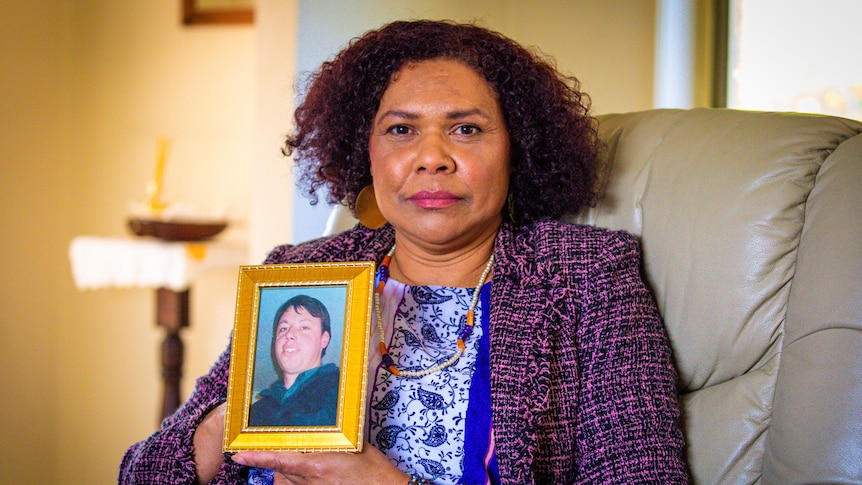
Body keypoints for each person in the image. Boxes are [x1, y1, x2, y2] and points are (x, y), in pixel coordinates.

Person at [120, 19, 688, 484]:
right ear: (363, 151)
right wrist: (239, 419)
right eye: (400, 130)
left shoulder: (585, 274)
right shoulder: (306, 270)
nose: (432, 157)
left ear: (516, 152)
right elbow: (144, 473)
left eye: (466, 130)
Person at [248, 295, 339, 427]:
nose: (289, 334)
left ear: (324, 339)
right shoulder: (255, 412)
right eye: (283, 329)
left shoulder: (342, 393)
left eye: (304, 327)